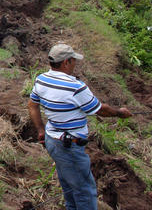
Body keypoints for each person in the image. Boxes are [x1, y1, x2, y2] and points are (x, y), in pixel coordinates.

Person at [28, 43, 132, 210]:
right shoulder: (76, 87)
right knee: (85, 192)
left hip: (52, 141)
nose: (75, 64)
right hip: (69, 146)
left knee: (69, 186)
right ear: (66, 62)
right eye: (73, 61)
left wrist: (41, 130)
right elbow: (100, 110)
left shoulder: (42, 79)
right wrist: (120, 112)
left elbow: (32, 105)